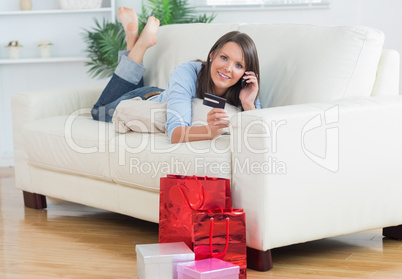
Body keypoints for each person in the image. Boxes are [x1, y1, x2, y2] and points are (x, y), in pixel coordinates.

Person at [91, 7, 261, 144]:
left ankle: (132, 41)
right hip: (146, 98)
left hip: (169, 92)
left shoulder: (246, 90)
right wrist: (208, 131)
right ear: (212, 55)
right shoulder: (187, 72)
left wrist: (248, 104)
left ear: (246, 72)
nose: (228, 68)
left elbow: (261, 135)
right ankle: (140, 44)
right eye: (224, 58)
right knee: (98, 112)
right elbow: (175, 134)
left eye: (239, 65)